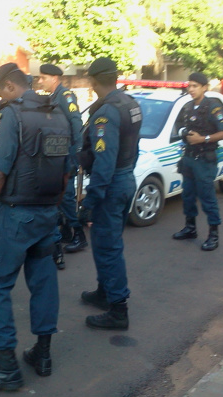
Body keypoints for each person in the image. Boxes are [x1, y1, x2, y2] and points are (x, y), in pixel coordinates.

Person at [0, 63, 72, 391]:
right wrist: (55, 207)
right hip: (47, 213)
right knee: (43, 282)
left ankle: (6, 366)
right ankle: (42, 354)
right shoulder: (58, 113)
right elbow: (67, 169)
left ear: (10, 87)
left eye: (0, 92)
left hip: (16, 216)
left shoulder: (14, 114)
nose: (0, 98)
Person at [76, 57, 142, 330]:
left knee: (108, 248)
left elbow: (104, 163)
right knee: (106, 245)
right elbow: (133, 146)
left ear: (93, 81)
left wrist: (90, 201)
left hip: (111, 184)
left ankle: (118, 309)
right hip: (125, 177)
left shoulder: (105, 114)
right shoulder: (130, 103)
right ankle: (105, 292)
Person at [172, 72, 223, 251]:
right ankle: (190, 228)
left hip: (205, 161)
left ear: (204, 88)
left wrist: (204, 139)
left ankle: (214, 235)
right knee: (188, 196)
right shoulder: (188, 106)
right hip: (189, 158)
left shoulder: (213, 107)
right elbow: (183, 128)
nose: (190, 89)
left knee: (207, 199)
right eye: (189, 86)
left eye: (194, 86)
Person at [39, 64, 87, 263]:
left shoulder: (66, 96)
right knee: (61, 196)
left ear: (54, 78)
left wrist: (76, 152)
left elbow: (76, 122)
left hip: (66, 155)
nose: (40, 81)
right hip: (56, 155)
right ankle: (67, 231)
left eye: (43, 78)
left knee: (66, 196)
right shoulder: (52, 97)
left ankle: (79, 235)